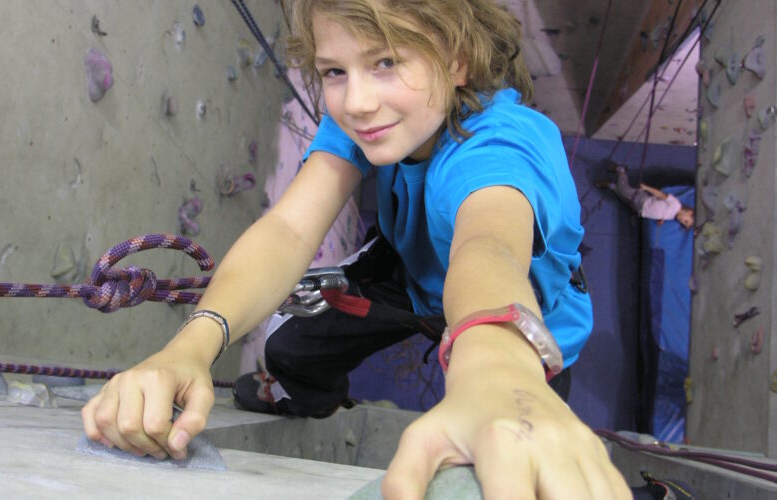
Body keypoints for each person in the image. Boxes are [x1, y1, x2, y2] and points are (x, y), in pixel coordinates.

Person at [82, 1, 631, 498]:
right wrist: (190, 346)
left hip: (523, 319)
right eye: (334, 72)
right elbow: (291, 230)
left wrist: (500, 376)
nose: (358, 102)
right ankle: (300, 393)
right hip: (409, 270)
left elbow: (488, 247)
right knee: (290, 348)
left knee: (520, 446)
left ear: (458, 63)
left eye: (388, 61)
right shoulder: (367, 119)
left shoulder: (503, 141)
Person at [605, 165, 694, 229]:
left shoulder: (672, 216)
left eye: (683, 224)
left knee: (626, 200)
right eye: (686, 221)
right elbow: (660, 194)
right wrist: (647, 187)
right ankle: (621, 171)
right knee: (624, 190)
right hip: (643, 201)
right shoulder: (675, 204)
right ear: (689, 212)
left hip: (641, 210)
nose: (682, 222)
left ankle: (612, 186)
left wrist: (661, 219)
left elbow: (662, 210)